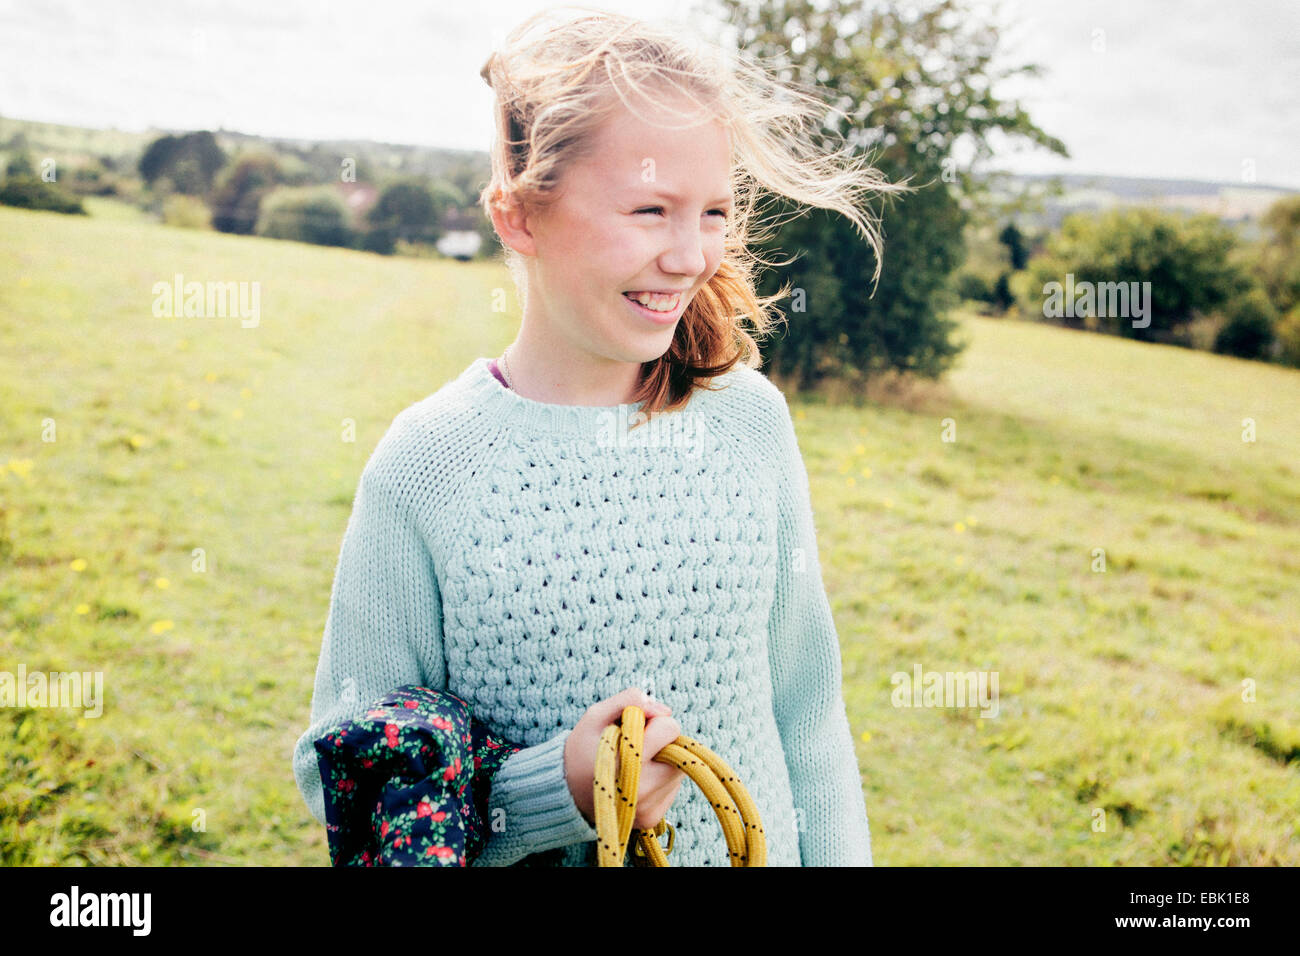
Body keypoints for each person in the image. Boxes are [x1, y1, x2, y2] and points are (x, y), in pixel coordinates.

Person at [292, 5, 908, 866]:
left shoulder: (750, 424)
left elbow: (809, 714)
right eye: (651, 210)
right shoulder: (427, 469)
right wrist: (560, 792)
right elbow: (346, 781)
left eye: (714, 213)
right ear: (519, 218)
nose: (692, 256)